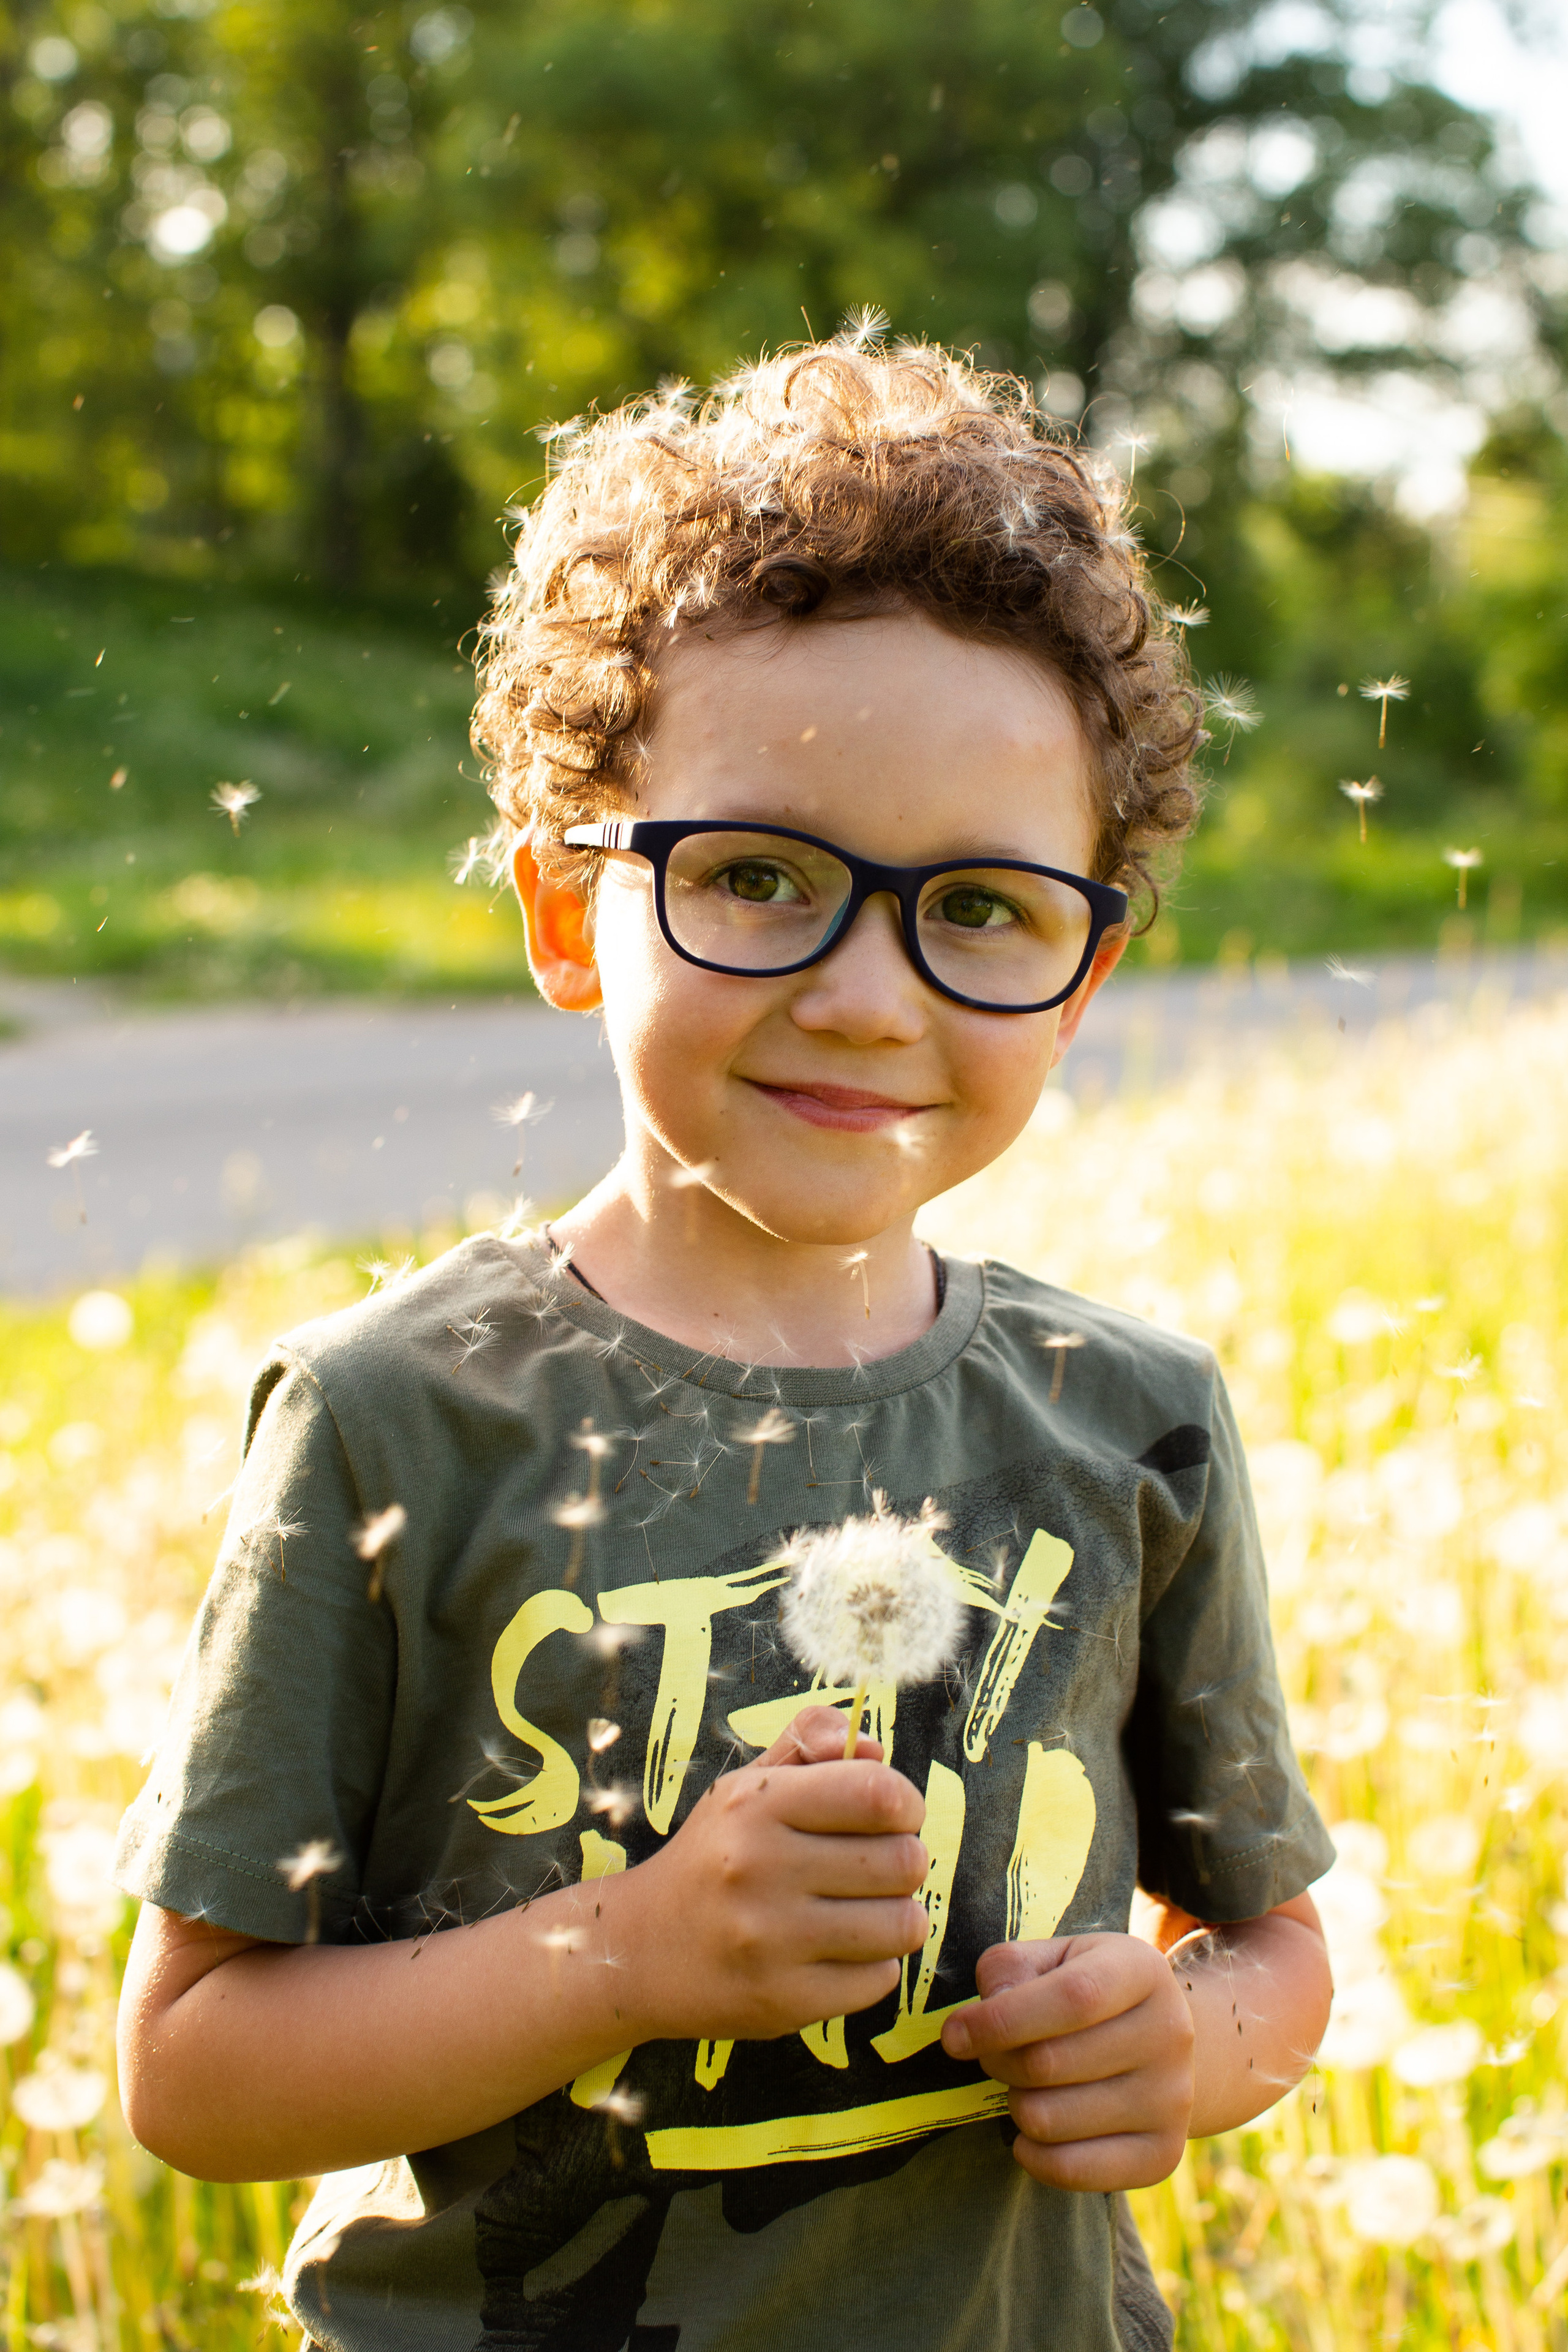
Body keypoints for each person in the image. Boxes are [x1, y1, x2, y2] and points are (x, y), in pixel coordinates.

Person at [115, 337, 1334, 2352]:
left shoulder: (1136, 1426)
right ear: (572, 908)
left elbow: (1268, 1954)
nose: (869, 997)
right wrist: (621, 1953)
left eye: (982, 910)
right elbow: (199, 2073)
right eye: (758, 877)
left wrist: (1180, 2051)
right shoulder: (392, 1419)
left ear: (1085, 969)